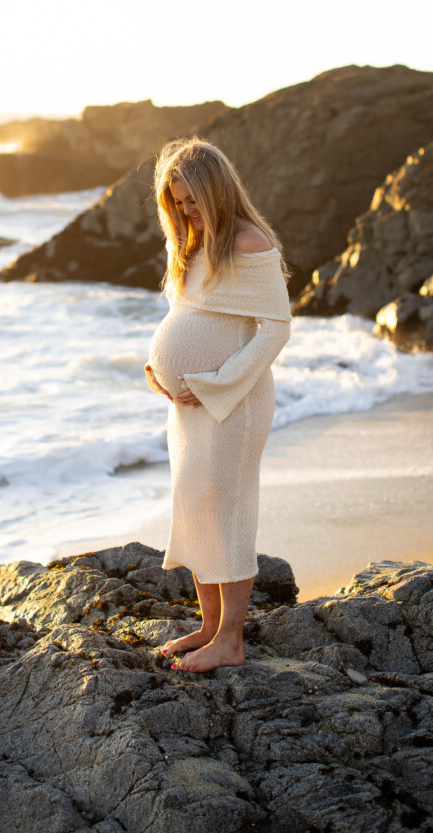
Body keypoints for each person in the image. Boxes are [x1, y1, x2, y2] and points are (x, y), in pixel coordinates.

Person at [145, 137, 292, 673]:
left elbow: (275, 331)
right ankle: (208, 626)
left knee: (226, 507)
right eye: (177, 203)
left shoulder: (249, 244)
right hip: (187, 404)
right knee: (194, 501)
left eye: (192, 201)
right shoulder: (187, 244)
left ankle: (231, 640)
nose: (185, 212)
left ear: (218, 190)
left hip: (234, 401)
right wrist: (157, 371)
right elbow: (186, 315)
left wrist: (214, 382)